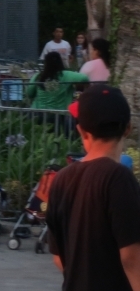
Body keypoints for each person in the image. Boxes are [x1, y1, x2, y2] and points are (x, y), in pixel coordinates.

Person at [47, 86, 140, 290]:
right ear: (127, 128)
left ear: (81, 130)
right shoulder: (119, 178)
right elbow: (132, 258)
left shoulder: (61, 179)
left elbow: (58, 258)